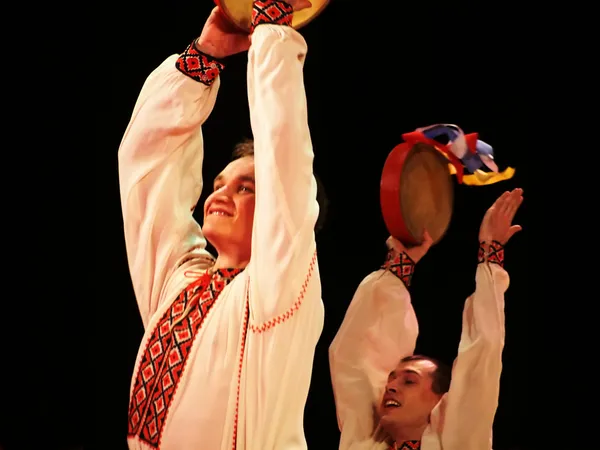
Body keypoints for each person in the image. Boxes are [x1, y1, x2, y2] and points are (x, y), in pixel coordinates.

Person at [117, 1, 324, 449]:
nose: (219, 195)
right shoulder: (180, 283)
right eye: (218, 183)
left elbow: (285, 156)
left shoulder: (278, 291)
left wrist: (271, 37)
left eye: (246, 187)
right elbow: (147, 171)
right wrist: (202, 58)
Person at [329, 188, 524, 450]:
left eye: (409, 381)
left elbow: (483, 351)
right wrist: (401, 264)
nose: (391, 387)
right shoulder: (363, 442)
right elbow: (353, 354)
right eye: (392, 379)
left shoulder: (458, 443)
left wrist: (491, 253)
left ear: (440, 403)